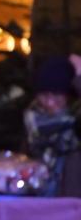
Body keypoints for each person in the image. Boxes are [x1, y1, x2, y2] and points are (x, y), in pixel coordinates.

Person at [24, 54, 81, 197]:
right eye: (44, 95)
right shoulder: (34, 124)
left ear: (69, 96)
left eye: (56, 95)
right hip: (40, 206)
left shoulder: (77, 126)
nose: (49, 102)